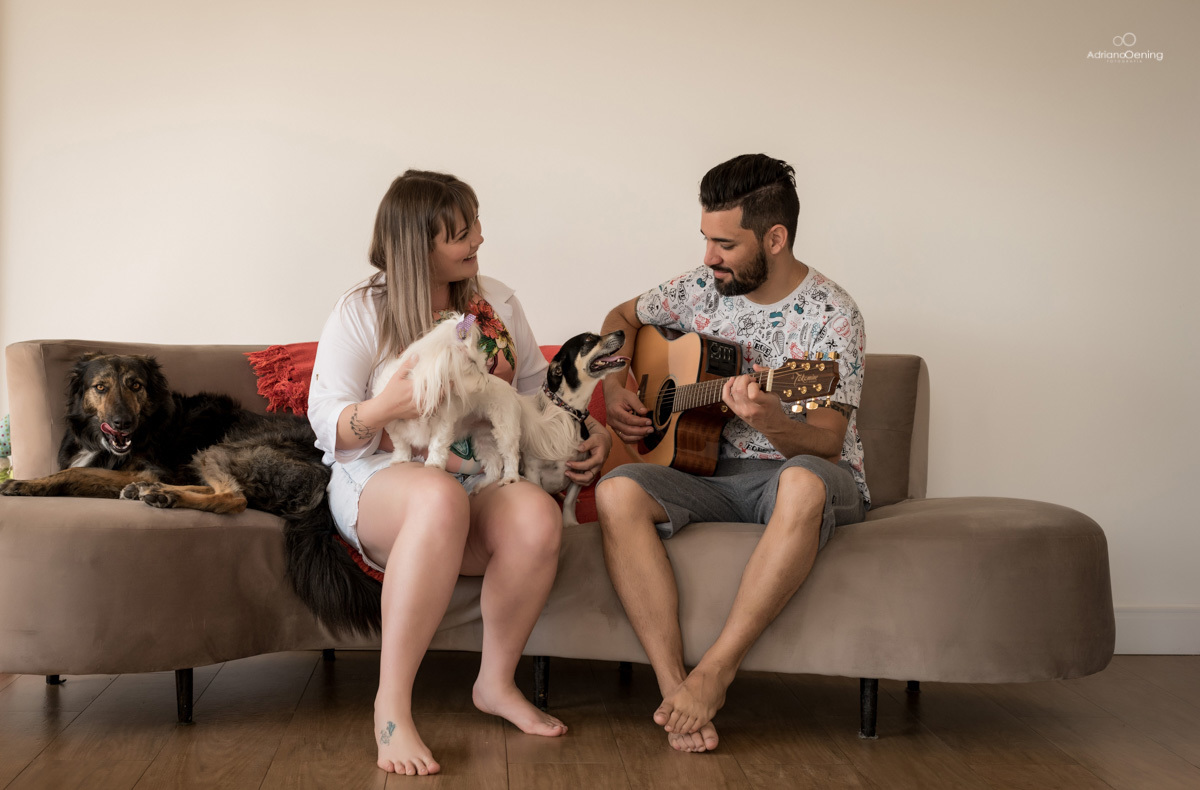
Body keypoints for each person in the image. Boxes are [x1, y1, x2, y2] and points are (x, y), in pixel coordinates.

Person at [307, 170, 611, 775]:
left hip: (476, 474)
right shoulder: (363, 311)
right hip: (387, 474)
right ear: (417, 244)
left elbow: (535, 398)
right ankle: (390, 709)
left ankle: (494, 684)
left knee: (532, 516)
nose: (477, 239)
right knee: (438, 497)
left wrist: (589, 430)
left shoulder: (494, 301)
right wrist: (386, 408)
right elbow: (329, 428)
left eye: (475, 223)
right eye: (460, 232)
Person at [596, 153, 870, 754]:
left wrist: (771, 418)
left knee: (802, 480)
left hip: (803, 473)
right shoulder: (700, 289)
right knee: (617, 490)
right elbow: (620, 318)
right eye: (704, 240)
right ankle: (675, 691)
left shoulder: (832, 316)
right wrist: (616, 382)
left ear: (775, 238)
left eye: (724, 244)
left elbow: (825, 439)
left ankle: (715, 673)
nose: (707, 259)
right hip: (708, 471)